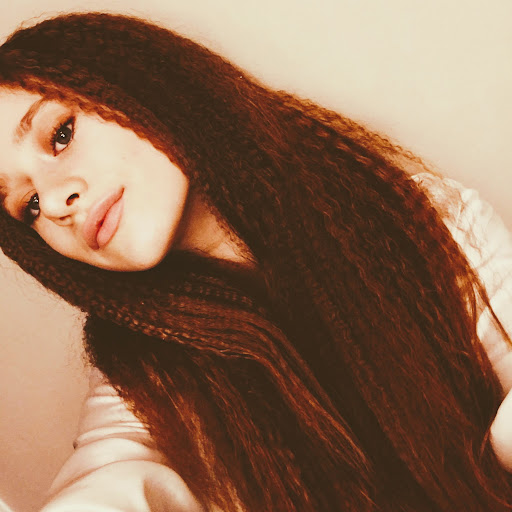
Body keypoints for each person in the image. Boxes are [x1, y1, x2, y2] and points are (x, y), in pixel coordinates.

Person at [0, 11, 511, 511]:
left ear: (136, 82)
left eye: (60, 135)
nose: (56, 201)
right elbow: (115, 479)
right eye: (30, 205)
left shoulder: (428, 223)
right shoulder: (141, 384)